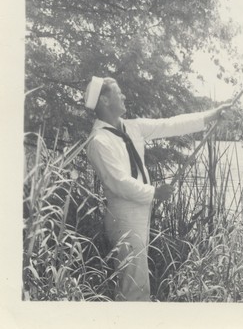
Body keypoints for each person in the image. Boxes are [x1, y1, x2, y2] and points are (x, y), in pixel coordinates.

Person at [85, 75, 228, 301]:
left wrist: (211, 115)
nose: (124, 96)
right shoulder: (98, 140)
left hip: (141, 209)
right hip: (122, 214)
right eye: (118, 92)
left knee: (138, 276)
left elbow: (169, 124)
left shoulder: (132, 127)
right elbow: (119, 183)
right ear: (104, 100)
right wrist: (154, 192)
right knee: (131, 278)